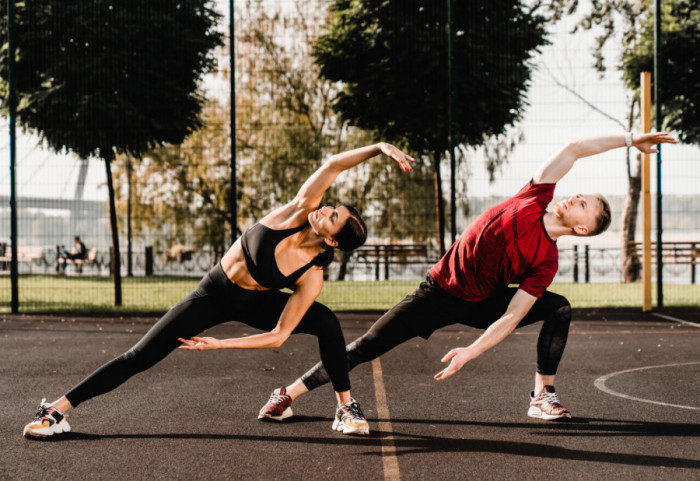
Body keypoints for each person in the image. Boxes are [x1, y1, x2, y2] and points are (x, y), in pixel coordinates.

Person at [259, 132, 677, 423]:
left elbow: (511, 317)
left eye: (583, 204)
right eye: (580, 194)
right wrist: (628, 141)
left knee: (559, 308)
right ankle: (287, 395)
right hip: (437, 291)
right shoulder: (536, 195)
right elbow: (575, 147)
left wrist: (470, 352)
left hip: (482, 303)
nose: (576, 197)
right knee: (368, 345)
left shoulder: (545, 261)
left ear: (583, 229)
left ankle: (542, 396)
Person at [23, 142, 415, 439]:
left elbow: (279, 335)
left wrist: (221, 344)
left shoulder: (312, 274)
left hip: (253, 302)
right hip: (212, 294)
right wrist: (379, 148)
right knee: (139, 356)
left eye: (333, 217)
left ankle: (345, 408)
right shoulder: (298, 210)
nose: (325, 210)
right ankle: (55, 410)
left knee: (327, 322)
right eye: (331, 207)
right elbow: (332, 165)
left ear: (332, 241)